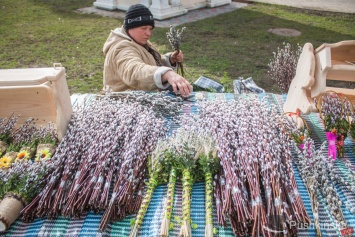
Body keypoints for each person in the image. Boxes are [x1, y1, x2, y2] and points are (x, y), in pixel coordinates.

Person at [102, 4, 193, 97]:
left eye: (150, 28)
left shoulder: (138, 41)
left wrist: (169, 59)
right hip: (123, 104)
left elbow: (150, 62)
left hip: (140, 99)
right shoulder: (122, 48)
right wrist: (167, 74)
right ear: (130, 27)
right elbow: (134, 71)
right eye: (143, 28)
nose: (148, 33)